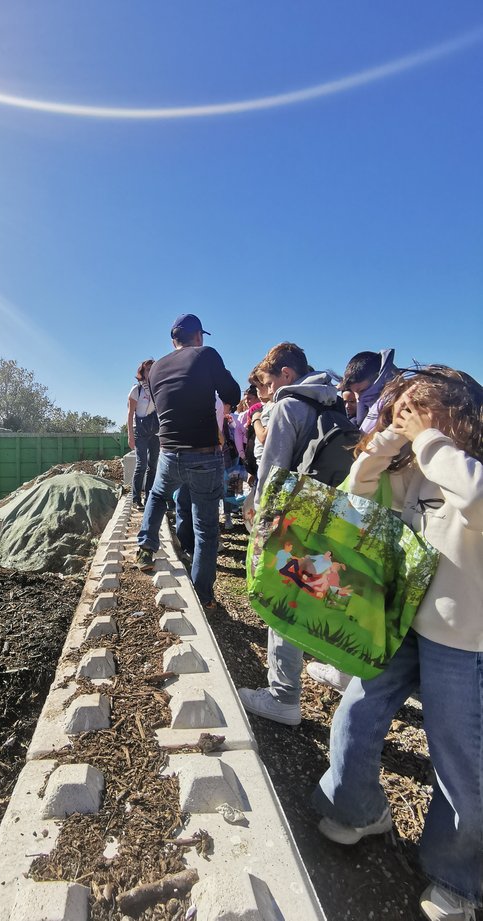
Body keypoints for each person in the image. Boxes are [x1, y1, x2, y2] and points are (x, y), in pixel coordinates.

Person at [311, 366, 483, 921]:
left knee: (459, 757)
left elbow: (476, 498)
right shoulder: (420, 471)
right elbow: (358, 500)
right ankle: (353, 807)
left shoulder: (460, 466)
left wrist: (429, 440)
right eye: (402, 410)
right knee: (358, 709)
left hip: (465, 641)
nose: (409, 420)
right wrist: (385, 442)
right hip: (407, 624)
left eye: (419, 409)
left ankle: (459, 878)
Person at [237, 342, 340, 725]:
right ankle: (341, 671)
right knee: (320, 594)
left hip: (294, 518)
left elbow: (272, 472)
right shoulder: (334, 403)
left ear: (286, 375)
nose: (267, 389)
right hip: (330, 513)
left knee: (285, 601)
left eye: (267, 381)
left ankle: (284, 697)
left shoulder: (287, 406)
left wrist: (259, 519)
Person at [307, 349, 397, 693]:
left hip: (377, 504)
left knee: (360, 585)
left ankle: (351, 673)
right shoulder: (379, 396)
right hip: (384, 501)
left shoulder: (389, 400)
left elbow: (368, 457)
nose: (357, 399)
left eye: (360, 391)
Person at [135, 314, 240, 608]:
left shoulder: (155, 370)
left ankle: (145, 547)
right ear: (198, 337)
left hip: (169, 451)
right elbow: (232, 392)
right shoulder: (206, 355)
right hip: (205, 453)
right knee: (205, 526)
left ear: (173, 340)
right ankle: (203, 595)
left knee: (157, 495)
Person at [127, 359, 160, 509]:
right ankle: (136, 499)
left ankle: (149, 498)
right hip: (140, 432)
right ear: (142, 371)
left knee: (153, 466)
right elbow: (129, 414)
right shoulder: (136, 390)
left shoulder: (156, 390)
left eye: (153, 369)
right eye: (147, 369)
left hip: (154, 432)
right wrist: (130, 436)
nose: (150, 372)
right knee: (142, 464)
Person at [342, 348, 398, 433]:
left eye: (362, 390)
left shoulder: (399, 404)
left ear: (378, 379)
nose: (360, 399)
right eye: (356, 393)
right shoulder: (371, 406)